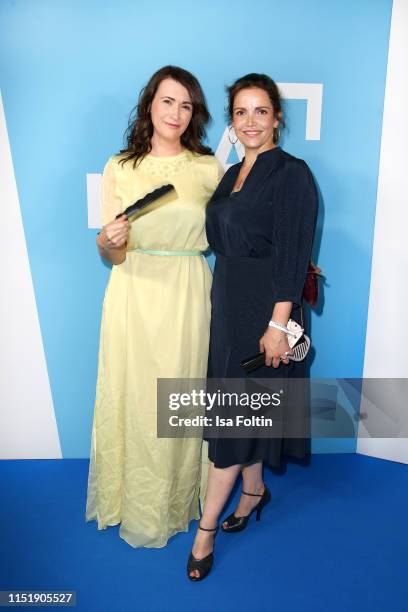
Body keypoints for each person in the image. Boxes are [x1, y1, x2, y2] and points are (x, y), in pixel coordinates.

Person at [86, 66, 223, 548]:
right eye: (168, 101)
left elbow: (235, 234)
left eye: (186, 105)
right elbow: (112, 252)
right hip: (133, 292)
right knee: (136, 398)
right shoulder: (119, 167)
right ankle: (135, 503)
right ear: (150, 105)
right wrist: (108, 240)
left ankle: (178, 501)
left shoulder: (209, 169)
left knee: (181, 400)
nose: (176, 113)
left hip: (187, 292)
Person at [187, 73, 318, 579]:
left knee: (233, 418)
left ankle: (206, 530)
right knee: (245, 408)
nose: (250, 121)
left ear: (277, 117)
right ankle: (255, 490)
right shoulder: (231, 173)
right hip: (229, 303)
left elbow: (292, 249)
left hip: (266, 310)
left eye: (260, 111)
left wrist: (278, 324)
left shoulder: (292, 172)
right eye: (240, 112)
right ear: (232, 121)